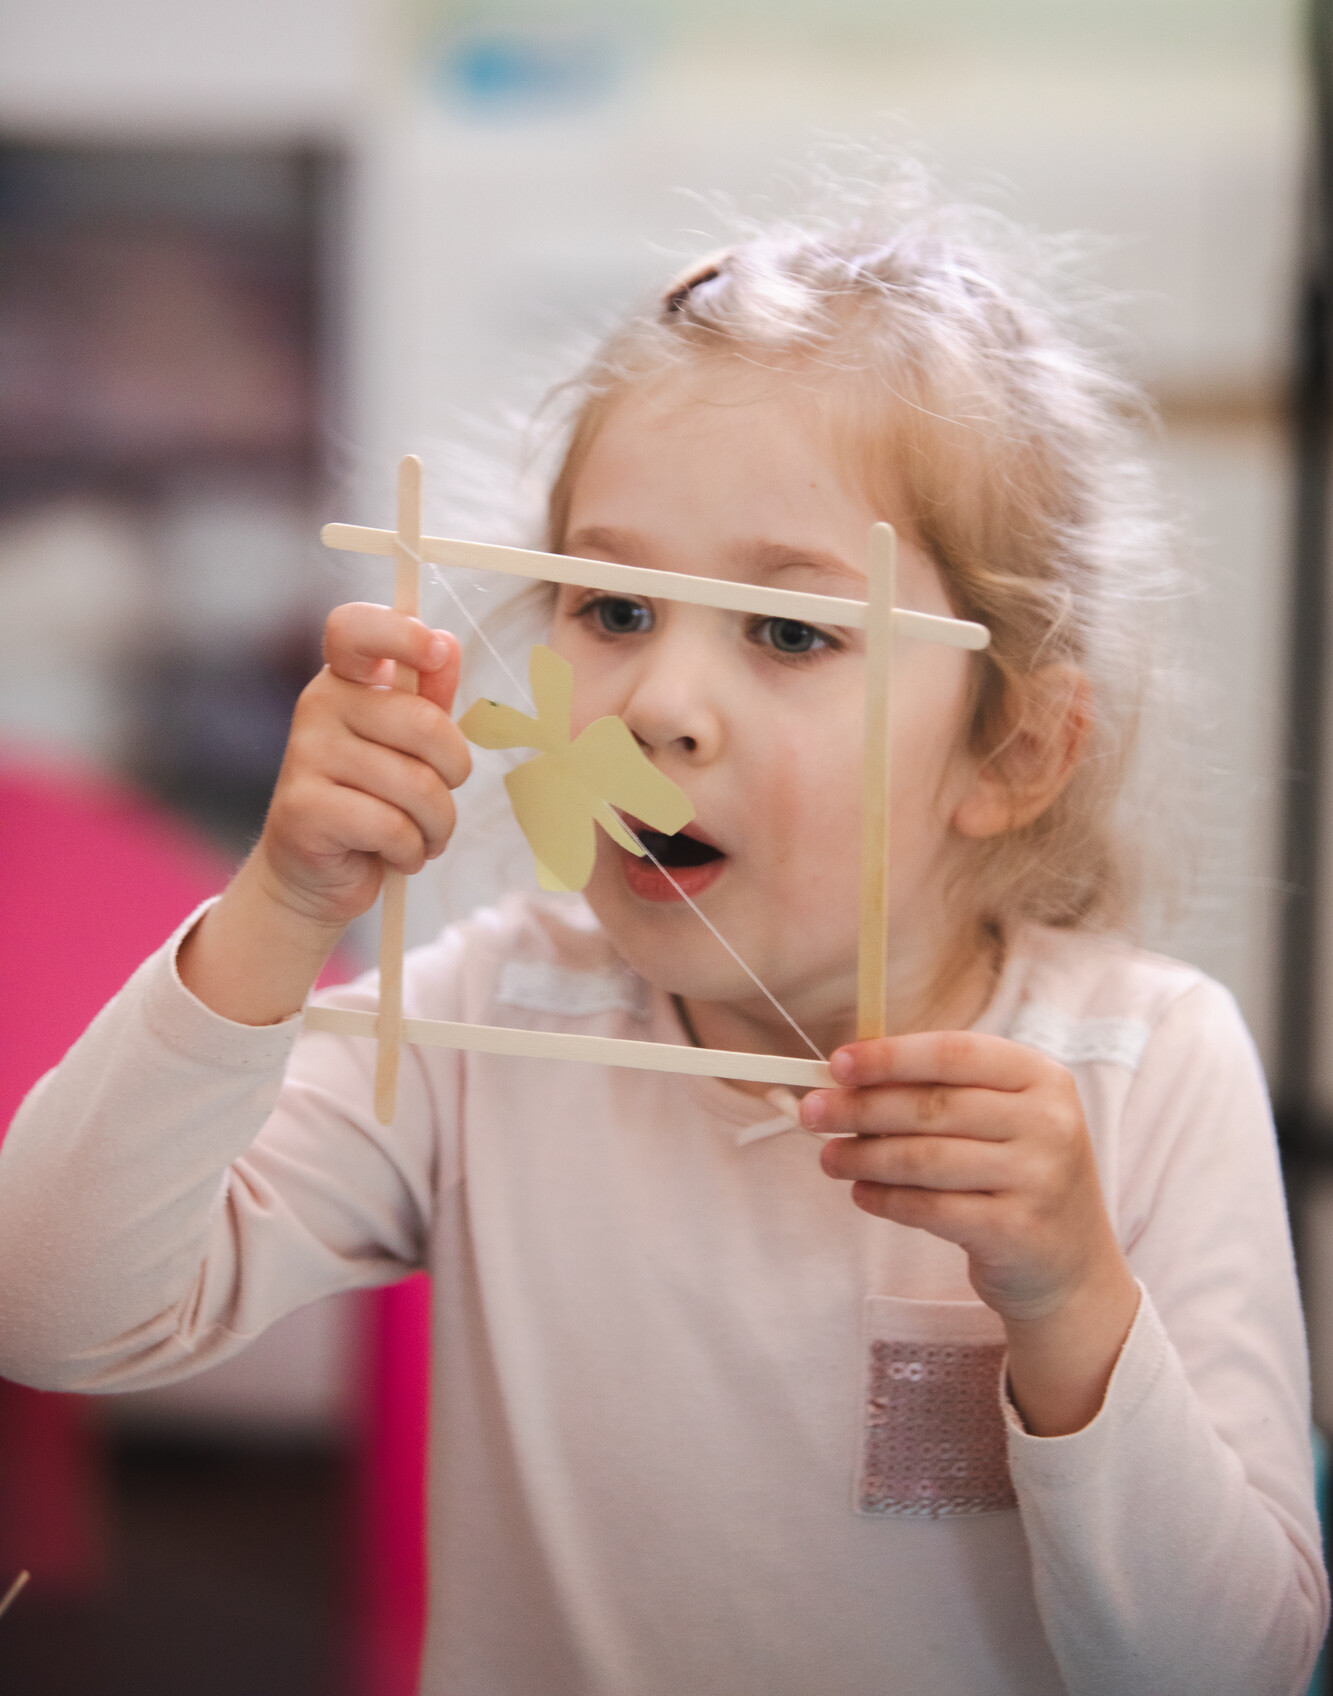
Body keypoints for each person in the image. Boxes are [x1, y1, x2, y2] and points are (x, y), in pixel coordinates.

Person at [0, 192, 1326, 1695]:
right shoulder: (498, 1016)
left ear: (1010, 750)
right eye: (614, 606)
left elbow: (1235, 1670)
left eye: (785, 632)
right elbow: (48, 1304)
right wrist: (283, 905)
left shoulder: (1143, 1069)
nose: (653, 706)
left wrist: (1071, 1302)